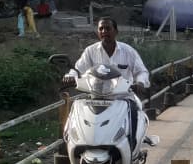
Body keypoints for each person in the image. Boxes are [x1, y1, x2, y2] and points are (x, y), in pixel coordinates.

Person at [63, 17, 149, 150]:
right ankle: (71, 144)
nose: (104, 31)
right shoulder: (90, 51)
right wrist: (70, 76)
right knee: (77, 112)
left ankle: (132, 147)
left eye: (108, 28)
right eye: (101, 29)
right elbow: (77, 69)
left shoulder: (128, 51)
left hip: (122, 98)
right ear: (98, 32)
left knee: (134, 113)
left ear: (116, 31)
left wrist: (140, 83)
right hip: (96, 98)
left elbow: (141, 71)